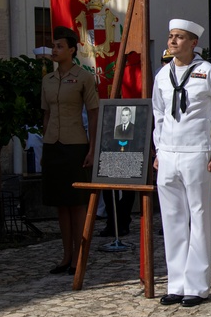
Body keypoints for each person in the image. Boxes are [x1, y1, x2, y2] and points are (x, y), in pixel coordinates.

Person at [153, 19, 211, 307]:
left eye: (179, 37)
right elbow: (159, 115)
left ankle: (197, 286)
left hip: (196, 152)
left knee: (199, 219)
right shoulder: (163, 75)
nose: (173, 41)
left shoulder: (208, 73)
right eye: (170, 37)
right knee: (172, 219)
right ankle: (176, 283)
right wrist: (158, 150)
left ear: (193, 43)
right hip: (168, 154)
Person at [40, 26, 99, 275]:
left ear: (72, 50)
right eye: (53, 46)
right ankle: (66, 256)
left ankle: (79, 257)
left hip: (76, 145)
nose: (54, 50)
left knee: (77, 203)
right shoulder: (47, 79)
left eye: (60, 46)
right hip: (52, 145)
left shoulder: (84, 77)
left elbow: (94, 113)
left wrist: (92, 147)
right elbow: (46, 114)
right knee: (60, 204)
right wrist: (45, 138)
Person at [100, 105, 138, 237]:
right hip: (107, 123)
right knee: (107, 180)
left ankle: (124, 220)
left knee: (129, 178)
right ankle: (112, 221)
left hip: (131, 139)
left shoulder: (133, 126)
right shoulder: (116, 126)